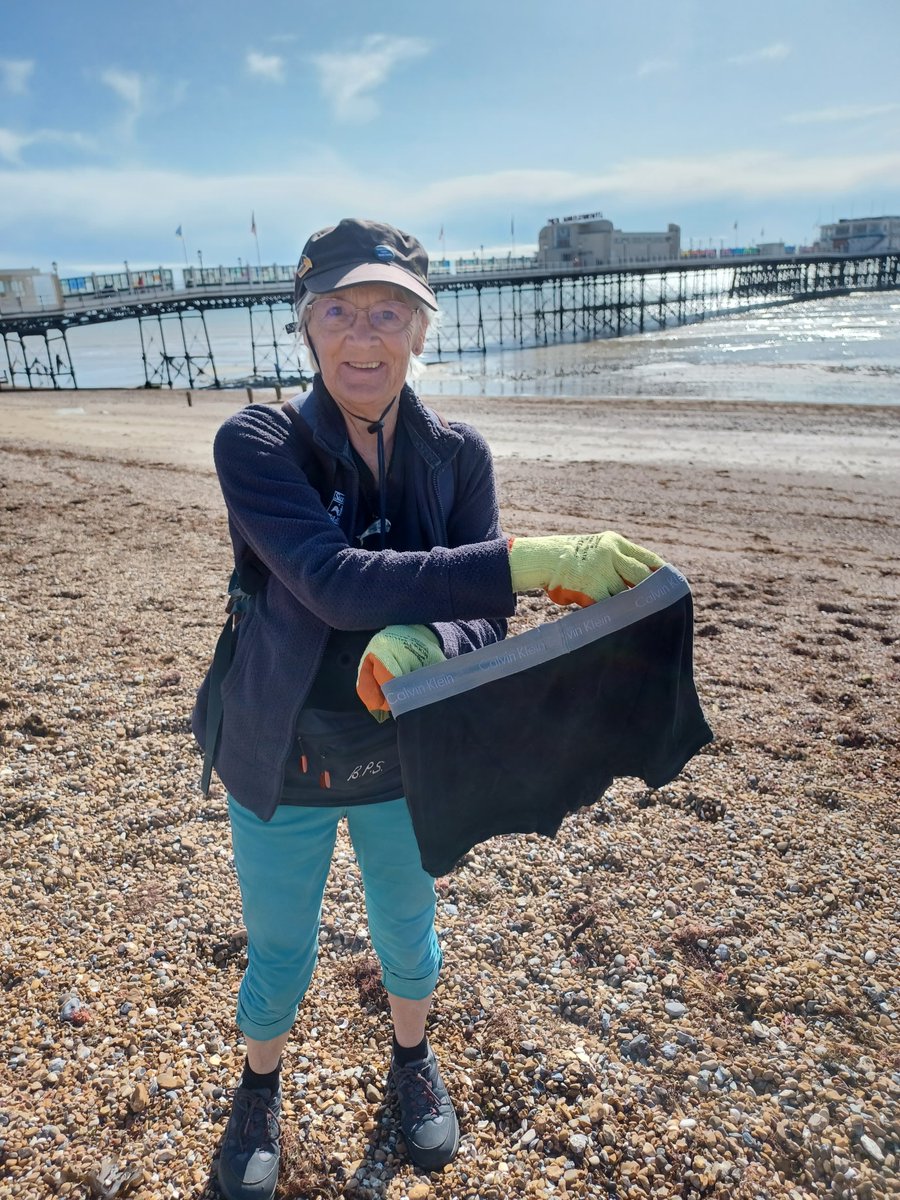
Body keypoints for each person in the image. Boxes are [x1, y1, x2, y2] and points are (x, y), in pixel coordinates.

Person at [192, 217, 663, 1200]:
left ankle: (412, 1062)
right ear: (305, 327)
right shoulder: (258, 441)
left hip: (408, 755)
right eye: (339, 311)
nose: (363, 337)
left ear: (422, 328)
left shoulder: (458, 458)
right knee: (282, 947)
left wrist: (425, 643)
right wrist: (534, 560)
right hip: (280, 756)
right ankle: (258, 1085)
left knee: (409, 931)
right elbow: (327, 579)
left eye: (388, 312)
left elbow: (480, 623)